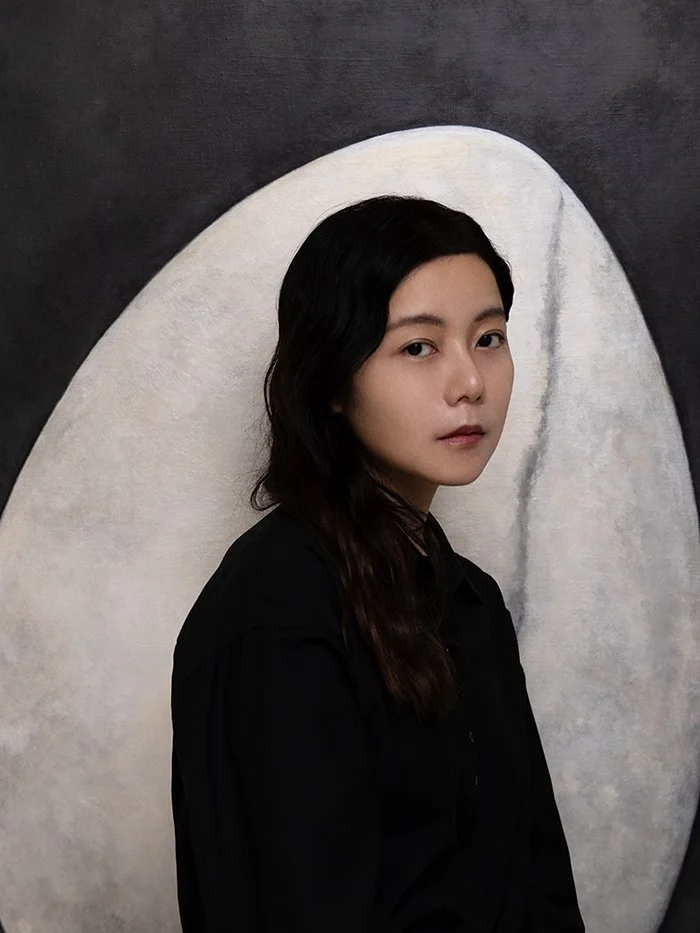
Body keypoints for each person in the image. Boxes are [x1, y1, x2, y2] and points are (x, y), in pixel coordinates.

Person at [170, 194, 586, 932]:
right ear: (332, 381)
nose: (470, 382)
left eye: (489, 337)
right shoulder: (277, 603)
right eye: (418, 347)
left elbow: (541, 883)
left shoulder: (471, 600)